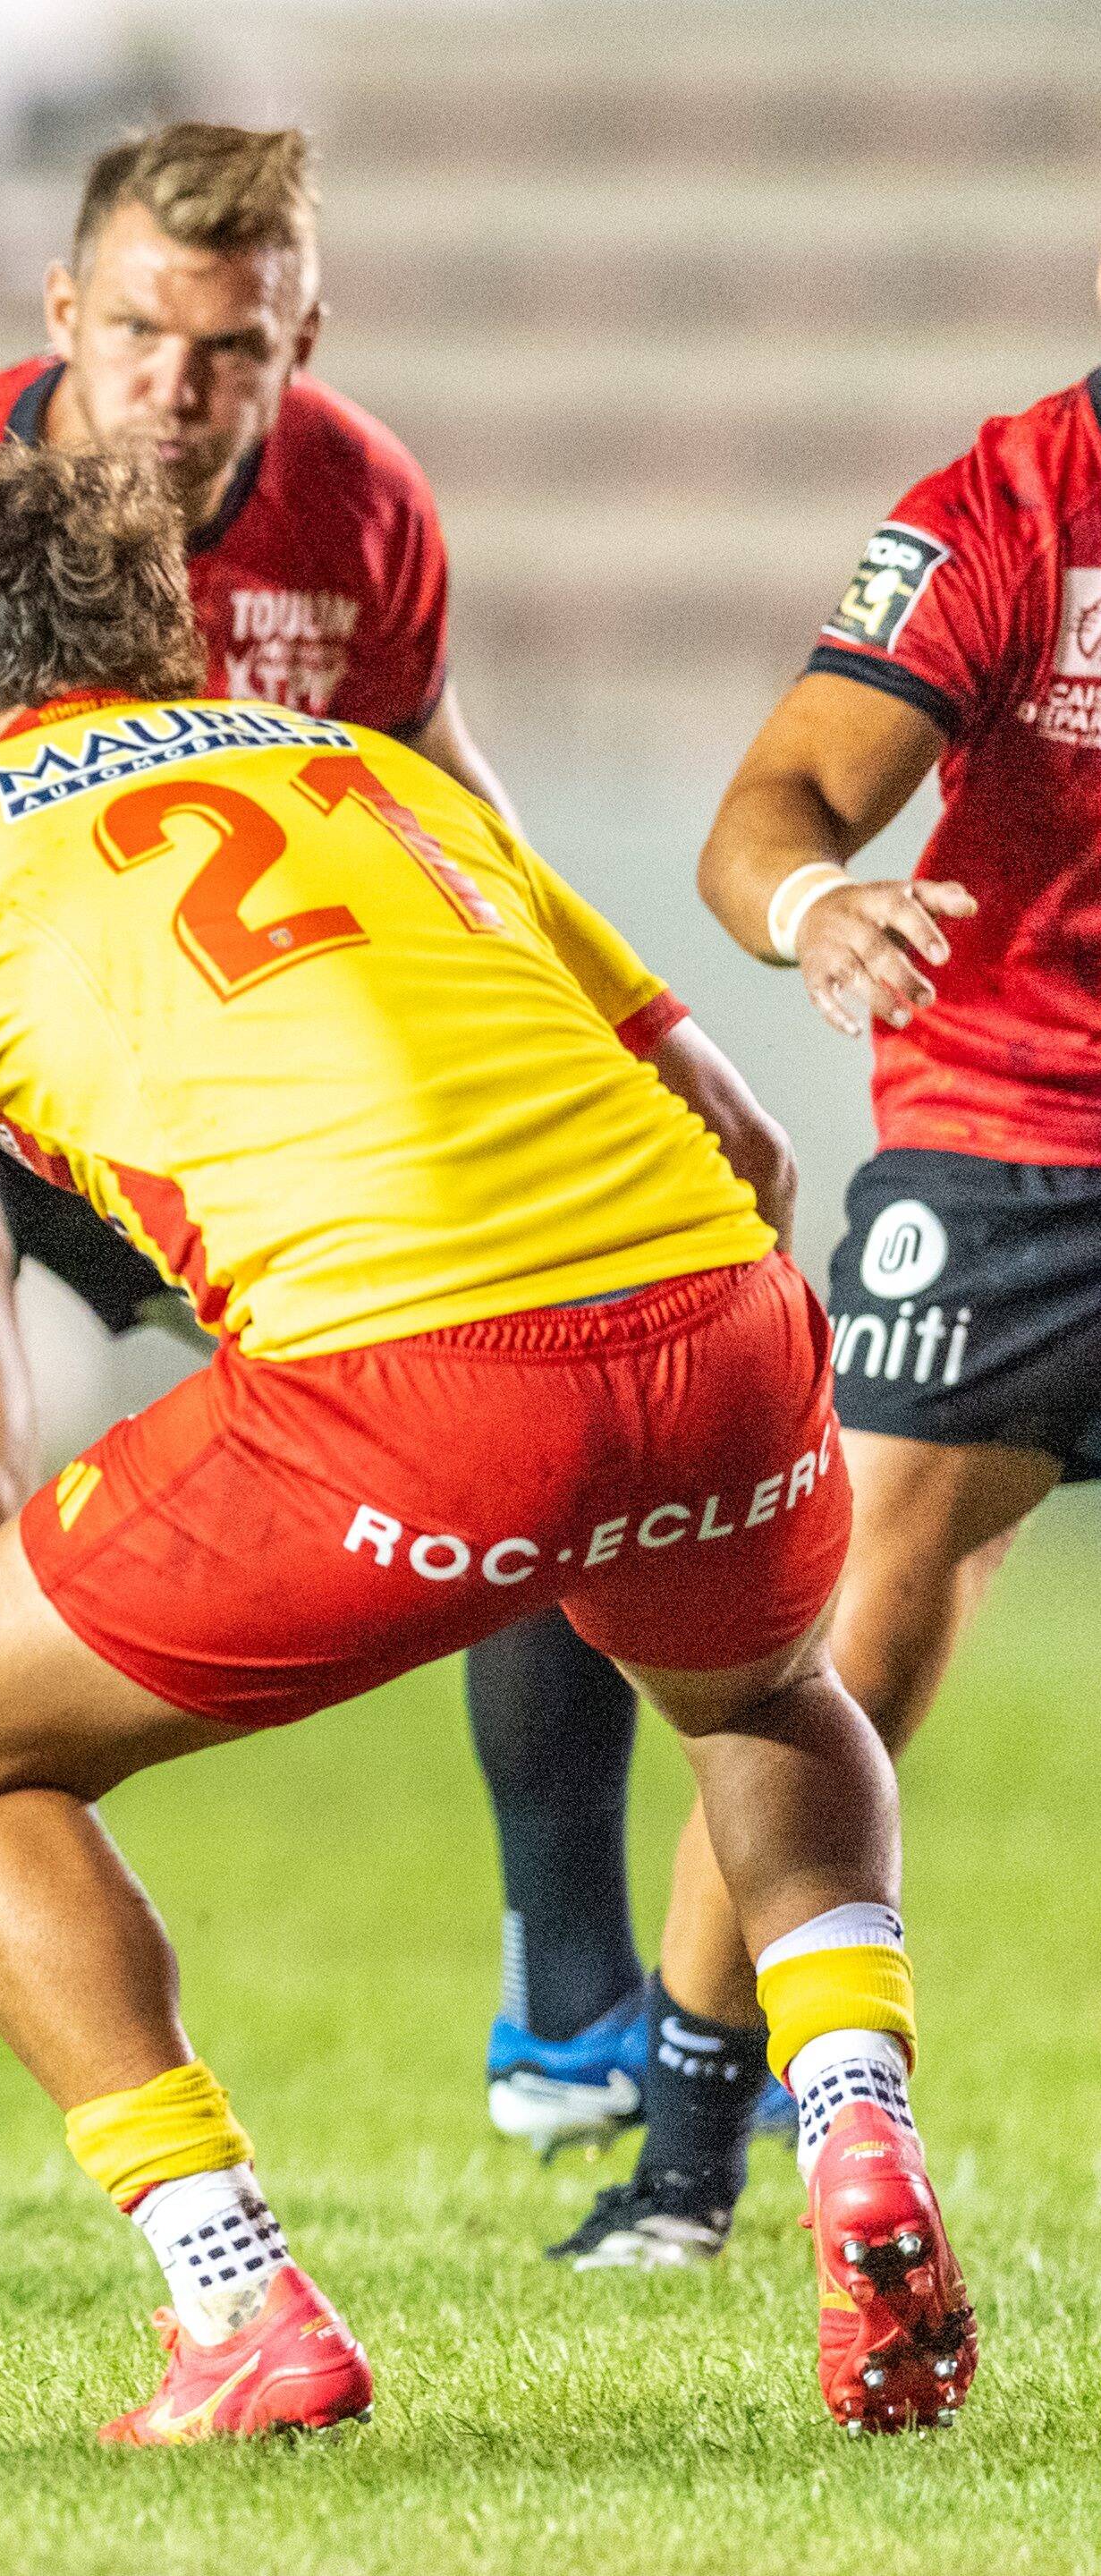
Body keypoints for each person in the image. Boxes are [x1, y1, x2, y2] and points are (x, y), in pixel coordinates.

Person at [0, 445, 968, 2442]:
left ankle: (238, 2304)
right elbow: (739, 1131)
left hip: (412, 1391)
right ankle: (854, 2123)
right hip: (723, 1325)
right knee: (760, 1700)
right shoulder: (375, 773)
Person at [0, 123, 676, 2223]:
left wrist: (619, 1025)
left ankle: (566, 1998)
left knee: (526, 1371)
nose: (177, 392)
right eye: (136, 336)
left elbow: (420, 775)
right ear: (61, 311)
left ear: (303, 337)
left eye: (230, 352)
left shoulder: (362, 509)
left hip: (186, 1073)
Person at [558, 292, 1101, 2269]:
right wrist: (819, 906)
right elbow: (771, 807)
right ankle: (687, 2158)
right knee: (837, 1642)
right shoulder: (1013, 508)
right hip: (1017, 1133)